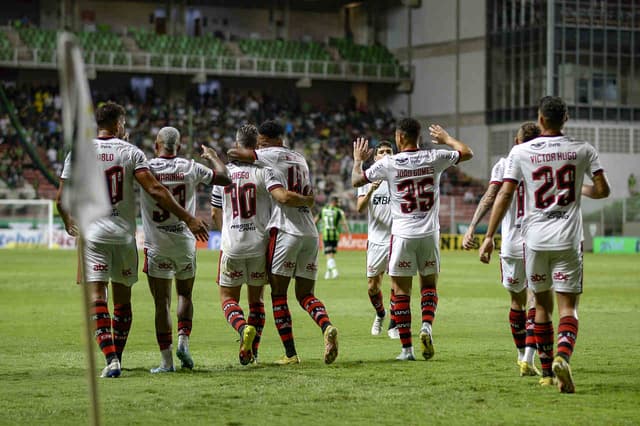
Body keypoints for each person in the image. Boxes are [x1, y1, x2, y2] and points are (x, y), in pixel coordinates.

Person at [56, 101, 209, 378]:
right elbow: (155, 190)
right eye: (124, 123)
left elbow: (61, 198)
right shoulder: (132, 153)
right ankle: (120, 355)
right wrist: (187, 218)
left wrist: (68, 220)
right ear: (118, 125)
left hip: (93, 235)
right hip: (124, 235)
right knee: (122, 301)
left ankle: (111, 358)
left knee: (96, 296)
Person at [479, 96, 610, 393]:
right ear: (566, 118)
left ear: (540, 120)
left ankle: (547, 372)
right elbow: (603, 190)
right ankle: (563, 357)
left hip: (534, 241)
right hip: (568, 239)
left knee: (539, 305)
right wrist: (579, 189)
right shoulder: (583, 149)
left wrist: (488, 237)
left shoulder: (520, 152)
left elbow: (504, 195)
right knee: (568, 308)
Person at [352, 119, 473, 360]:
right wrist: (447, 138)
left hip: (403, 234)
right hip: (429, 233)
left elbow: (357, 181)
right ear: (419, 137)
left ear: (399, 138)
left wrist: (357, 160)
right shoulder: (434, 156)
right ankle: (426, 326)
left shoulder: (389, 163)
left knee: (400, 291)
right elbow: (467, 152)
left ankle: (407, 350)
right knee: (428, 286)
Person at [228, 120, 339, 365]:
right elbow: (309, 198)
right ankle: (326, 326)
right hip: (310, 231)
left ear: (265, 141)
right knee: (305, 294)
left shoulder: (266, 154)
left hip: (286, 231)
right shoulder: (300, 158)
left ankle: (290, 354)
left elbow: (235, 153)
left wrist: (244, 153)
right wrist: (306, 201)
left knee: (278, 295)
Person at [211, 124, 314, 365]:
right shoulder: (264, 171)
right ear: (256, 144)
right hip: (259, 244)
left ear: (237, 143)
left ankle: (242, 328)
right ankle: (253, 353)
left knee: (228, 299)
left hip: (233, 243)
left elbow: (216, 213)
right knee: (256, 302)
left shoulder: (223, 175)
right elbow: (280, 198)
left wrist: (225, 234)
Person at [140, 126, 231, 373]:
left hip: (157, 243)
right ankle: (184, 343)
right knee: (185, 296)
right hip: (184, 242)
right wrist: (212, 156)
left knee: (162, 303)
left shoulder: (145, 168)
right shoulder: (191, 167)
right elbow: (225, 178)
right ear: (178, 147)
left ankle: (166, 362)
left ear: (156, 145)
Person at [462, 122, 541, 377]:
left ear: (516, 142)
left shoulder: (504, 164)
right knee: (536, 301)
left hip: (510, 244)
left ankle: (521, 354)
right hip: (537, 241)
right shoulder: (543, 166)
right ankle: (529, 357)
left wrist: (473, 228)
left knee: (517, 301)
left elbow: (491, 197)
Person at [355, 140, 399, 338]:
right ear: (375, 157)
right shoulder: (367, 179)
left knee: (397, 285)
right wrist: (371, 189)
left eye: (389, 151)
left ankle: (394, 324)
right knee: (373, 287)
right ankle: (381, 314)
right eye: (381, 152)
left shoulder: (399, 176)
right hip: (375, 240)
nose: (385, 154)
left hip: (398, 237)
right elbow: (359, 208)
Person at [314, 195, 351, 279]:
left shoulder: (323, 210)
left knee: (328, 254)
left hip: (326, 234)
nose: (339, 203)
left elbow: (315, 221)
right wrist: (348, 233)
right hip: (335, 235)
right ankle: (329, 272)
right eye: (338, 201)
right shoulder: (339, 211)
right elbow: (343, 223)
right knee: (331, 255)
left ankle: (334, 271)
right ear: (334, 202)